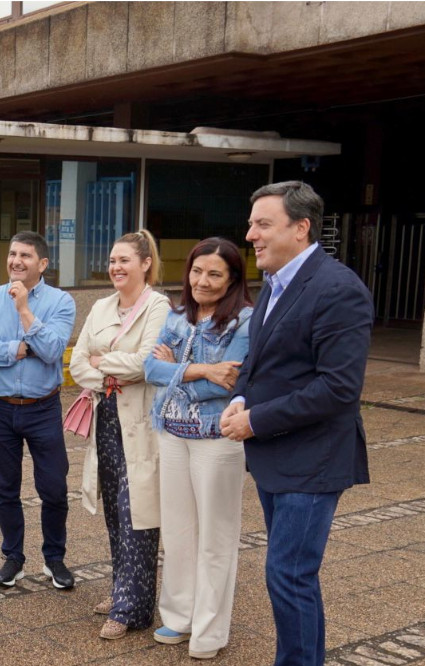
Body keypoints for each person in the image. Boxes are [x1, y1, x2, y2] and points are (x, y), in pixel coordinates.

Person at [221, 181, 373, 666]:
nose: (251, 236)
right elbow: (259, 358)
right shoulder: (276, 282)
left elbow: (339, 389)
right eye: (251, 224)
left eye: (263, 224)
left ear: (301, 228)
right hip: (277, 456)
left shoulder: (338, 289)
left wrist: (256, 420)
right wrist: (241, 395)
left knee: (289, 574)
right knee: (288, 574)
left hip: (314, 459)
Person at [143, 238, 254, 660]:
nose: (202, 281)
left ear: (232, 280)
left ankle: (209, 630)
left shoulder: (244, 322)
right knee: (178, 530)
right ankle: (178, 615)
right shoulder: (176, 315)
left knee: (216, 537)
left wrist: (178, 371)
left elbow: (231, 382)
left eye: (214, 274)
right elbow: (150, 368)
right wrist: (203, 368)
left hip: (217, 438)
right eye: (196, 271)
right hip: (171, 432)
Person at [68, 230, 171, 641]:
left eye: (124, 260)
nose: (115, 267)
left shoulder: (158, 307)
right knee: (115, 511)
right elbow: (77, 364)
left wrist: (103, 362)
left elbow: (147, 364)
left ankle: (134, 606)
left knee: (138, 513)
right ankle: (121, 590)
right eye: (112, 260)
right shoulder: (101, 306)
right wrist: (111, 370)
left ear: (145, 263)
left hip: (140, 424)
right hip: (106, 419)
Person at [0, 231, 77, 590]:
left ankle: (54, 558)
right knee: (5, 488)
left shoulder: (61, 302)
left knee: (54, 487)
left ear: (42, 264)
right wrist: (20, 347)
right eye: (12, 253)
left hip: (42, 407)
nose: (16, 261)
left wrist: (24, 309)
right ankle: (13, 557)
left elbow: (52, 351)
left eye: (25, 256)